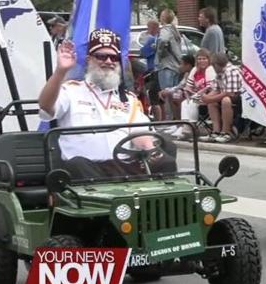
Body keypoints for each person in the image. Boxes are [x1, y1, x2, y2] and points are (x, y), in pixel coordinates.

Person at [38, 29, 174, 179]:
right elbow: (45, 106)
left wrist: (151, 151)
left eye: (113, 57)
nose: (108, 61)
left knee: (165, 161)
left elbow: (140, 133)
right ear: (89, 59)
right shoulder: (70, 90)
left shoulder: (128, 99)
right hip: (86, 168)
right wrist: (60, 71)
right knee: (77, 164)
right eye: (101, 56)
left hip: (123, 166)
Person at [169, 49, 217, 140]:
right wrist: (188, 92)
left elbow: (210, 87)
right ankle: (185, 127)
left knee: (191, 103)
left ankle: (190, 128)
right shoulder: (195, 70)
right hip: (195, 95)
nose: (201, 61)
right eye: (199, 59)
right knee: (185, 102)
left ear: (208, 60)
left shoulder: (210, 70)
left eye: (204, 59)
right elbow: (188, 85)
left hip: (208, 95)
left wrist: (197, 94)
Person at [200, 52, 243, 143]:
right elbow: (216, 89)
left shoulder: (232, 71)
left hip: (240, 98)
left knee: (225, 100)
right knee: (212, 102)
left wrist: (210, 98)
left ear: (216, 65)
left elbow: (230, 93)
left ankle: (226, 132)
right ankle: (216, 131)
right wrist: (205, 97)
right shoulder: (220, 72)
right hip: (227, 95)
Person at [156, 8, 183, 120]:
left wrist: (160, 51)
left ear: (163, 18)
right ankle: (177, 120)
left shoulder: (165, 29)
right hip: (176, 66)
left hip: (166, 66)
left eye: (161, 16)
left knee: (166, 95)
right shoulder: (174, 30)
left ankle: (169, 120)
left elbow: (162, 40)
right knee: (175, 96)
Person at [159, 54, 196, 124]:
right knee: (171, 94)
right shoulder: (186, 74)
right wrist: (167, 90)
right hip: (186, 94)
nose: (179, 67)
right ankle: (177, 122)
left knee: (175, 96)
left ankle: (182, 123)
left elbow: (184, 87)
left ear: (188, 65)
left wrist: (168, 91)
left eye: (181, 64)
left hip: (192, 95)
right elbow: (180, 86)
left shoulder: (193, 74)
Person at [139, 20, 162, 121]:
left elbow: (143, 52)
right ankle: (164, 121)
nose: (147, 30)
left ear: (153, 28)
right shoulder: (159, 39)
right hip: (160, 69)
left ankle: (158, 122)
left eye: (148, 27)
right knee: (159, 98)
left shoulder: (152, 40)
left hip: (153, 70)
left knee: (153, 98)